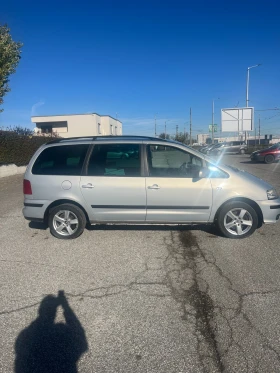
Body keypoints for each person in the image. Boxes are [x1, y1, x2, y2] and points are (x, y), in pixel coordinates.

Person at [14, 291, 88, 373]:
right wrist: (66, 307)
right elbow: (80, 336)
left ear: (40, 310)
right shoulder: (63, 336)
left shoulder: (27, 336)